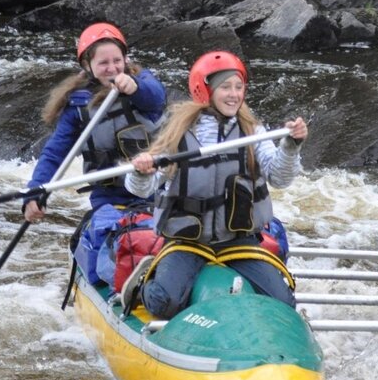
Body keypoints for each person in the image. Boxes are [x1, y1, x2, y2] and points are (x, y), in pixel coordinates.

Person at [121, 50, 308, 319]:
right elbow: (142, 188)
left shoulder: (252, 131)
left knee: (284, 304)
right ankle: (142, 284)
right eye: (225, 87)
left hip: (237, 240)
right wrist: (141, 171)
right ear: (204, 89)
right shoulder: (180, 131)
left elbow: (280, 177)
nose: (234, 94)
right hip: (188, 240)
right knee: (164, 304)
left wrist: (291, 146)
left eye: (238, 87)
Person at [24, 22, 166, 222]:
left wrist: (135, 87)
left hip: (157, 190)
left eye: (117, 60)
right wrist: (36, 190)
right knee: (108, 234)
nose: (112, 68)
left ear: (126, 59)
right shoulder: (78, 106)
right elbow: (55, 153)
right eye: (103, 63)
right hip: (109, 197)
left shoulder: (143, 81)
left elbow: (157, 98)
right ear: (87, 66)